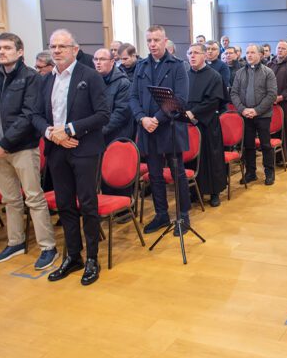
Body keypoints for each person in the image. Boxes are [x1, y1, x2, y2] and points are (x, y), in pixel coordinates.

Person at [33, 29, 110, 286]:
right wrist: (52, 134)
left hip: (84, 148)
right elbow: (34, 115)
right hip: (56, 150)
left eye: (62, 46)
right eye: (53, 46)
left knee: (87, 204)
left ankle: (92, 259)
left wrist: (69, 129)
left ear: (75, 50)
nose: (56, 51)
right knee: (64, 205)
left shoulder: (90, 76)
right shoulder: (45, 79)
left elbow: (102, 115)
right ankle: (73, 256)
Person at [0, 33, 58, 269]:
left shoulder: (31, 78)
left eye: (7, 48)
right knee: (10, 199)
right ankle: (15, 242)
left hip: (22, 147)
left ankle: (47, 247)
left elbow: (29, 115)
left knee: (34, 197)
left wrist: (4, 144)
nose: (2, 52)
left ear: (20, 52)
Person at [130, 25, 193, 235]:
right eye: (149, 40)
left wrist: (156, 119)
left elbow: (181, 99)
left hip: (170, 128)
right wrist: (142, 119)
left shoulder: (177, 66)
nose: (152, 44)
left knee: (178, 174)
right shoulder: (141, 66)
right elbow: (133, 97)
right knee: (155, 174)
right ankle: (161, 215)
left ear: (165, 41)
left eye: (156, 40)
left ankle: (183, 216)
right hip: (148, 129)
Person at [184, 43, 226, 207]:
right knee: (191, 159)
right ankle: (195, 191)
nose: (192, 56)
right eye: (189, 53)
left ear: (204, 55)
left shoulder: (214, 76)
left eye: (196, 53)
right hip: (188, 123)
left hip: (207, 123)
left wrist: (194, 112)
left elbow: (213, 101)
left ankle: (214, 192)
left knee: (211, 158)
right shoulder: (185, 75)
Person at [230, 44, 278, 186]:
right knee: (248, 145)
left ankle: (269, 172)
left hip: (263, 115)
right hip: (245, 116)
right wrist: (243, 109)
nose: (249, 55)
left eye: (252, 52)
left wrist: (256, 110)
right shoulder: (239, 73)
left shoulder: (268, 72)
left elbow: (271, 95)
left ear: (260, 55)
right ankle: (250, 172)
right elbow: (234, 93)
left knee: (265, 145)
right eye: (247, 53)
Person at [93, 48, 135, 144]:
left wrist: (99, 131)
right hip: (96, 135)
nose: (98, 62)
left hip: (117, 137)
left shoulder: (123, 83)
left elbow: (121, 114)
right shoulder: (91, 81)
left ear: (112, 62)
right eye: (95, 59)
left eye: (102, 59)